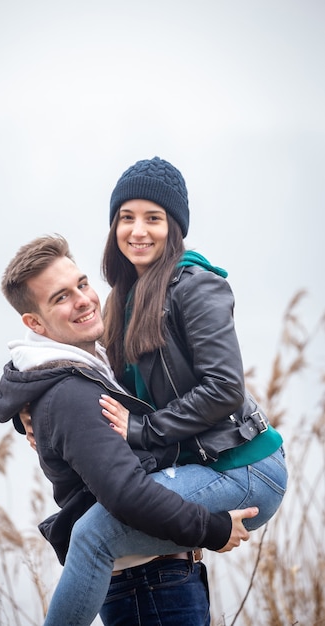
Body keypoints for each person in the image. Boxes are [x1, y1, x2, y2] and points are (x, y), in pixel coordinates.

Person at [0, 234, 261, 626]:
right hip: (148, 587)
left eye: (82, 284)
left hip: (154, 581)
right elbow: (127, 493)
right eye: (61, 297)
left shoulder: (89, 366)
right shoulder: (70, 392)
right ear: (34, 323)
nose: (84, 299)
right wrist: (213, 528)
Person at [95, 155, 287, 623]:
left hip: (247, 468)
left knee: (96, 534)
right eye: (126, 217)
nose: (138, 230)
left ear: (173, 228)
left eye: (153, 218)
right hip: (204, 464)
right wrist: (30, 415)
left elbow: (224, 388)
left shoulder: (196, 286)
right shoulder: (121, 301)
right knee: (104, 530)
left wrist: (144, 431)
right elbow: (93, 376)